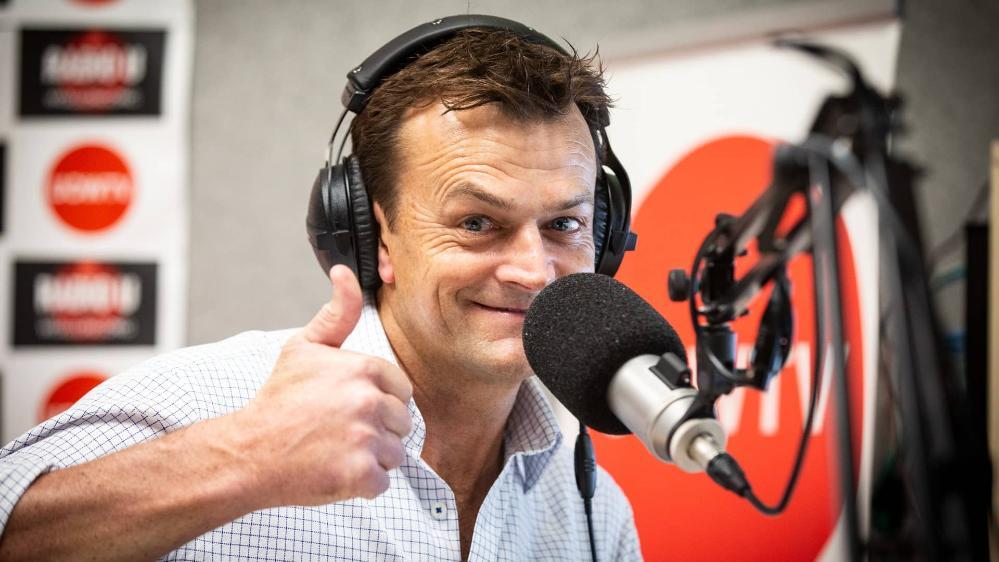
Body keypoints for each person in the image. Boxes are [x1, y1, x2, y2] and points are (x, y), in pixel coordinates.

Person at [0, 18, 641, 562]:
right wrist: (245, 459)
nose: (533, 271)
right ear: (370, 234)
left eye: (564, 224)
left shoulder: (590, 508)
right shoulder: (211, 406)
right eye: (476, 223)